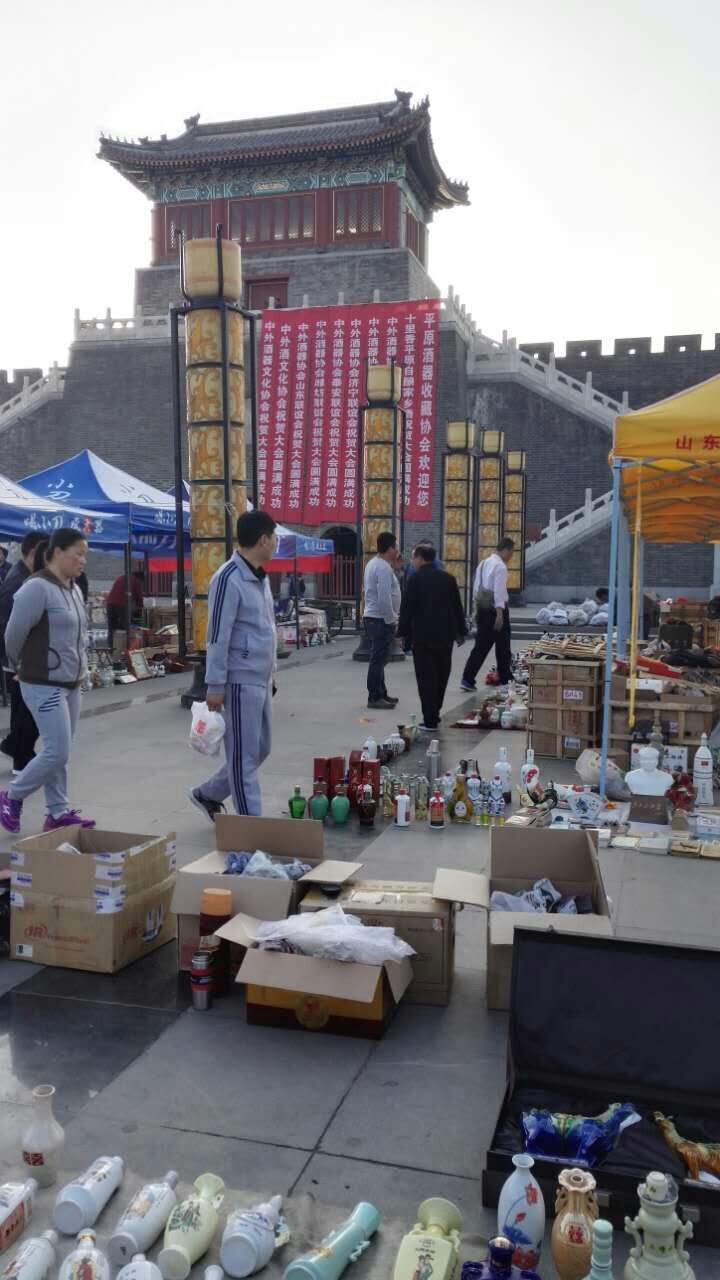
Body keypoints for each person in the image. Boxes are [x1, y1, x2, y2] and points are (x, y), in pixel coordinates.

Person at [0, 528, 95, 834]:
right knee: (58, 750)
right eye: (78, 554)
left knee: (60, 749)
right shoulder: (36, 588)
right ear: (56, 552)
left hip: (72, 682)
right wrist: (19, 665)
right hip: (42, 681)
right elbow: (13, 634)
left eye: (85, 555)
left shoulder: (73, 589)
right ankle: (11, 796)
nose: (83, 560)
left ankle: (58, 811)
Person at [190, 510, 278, 821]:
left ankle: (208, 794)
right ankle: (249, 829)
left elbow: (265, 628)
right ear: (263, 539)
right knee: (243, 760)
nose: (276, 543)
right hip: (239, 680)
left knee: (260, 748)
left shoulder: (258, 577)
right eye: (274, 537)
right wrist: (215, 685)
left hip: (260, 678)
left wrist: (271, 672)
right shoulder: (228, 578)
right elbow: (217, 635)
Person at [398, 543, 467, 731]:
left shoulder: (415, 579)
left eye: (414, 557)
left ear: (420, 558)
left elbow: (407, 609)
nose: (412, 561)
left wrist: (402, 633)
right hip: (445, 636)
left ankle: (430, 718)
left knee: (426, 677)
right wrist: (461, 631)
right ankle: (434, 712)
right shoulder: (448, 579)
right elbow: (457, 607)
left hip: (423, 637)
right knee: (442, 674)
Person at [0, 532, 47, 774]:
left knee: (24, 708)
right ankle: (21, 756)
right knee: (25, 710)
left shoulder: (26, 576)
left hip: (24, 659)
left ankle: (15, 747)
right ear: (35, 553)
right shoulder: (19, 581)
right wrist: (18, 662)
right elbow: (9, 626)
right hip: (19, 659)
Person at [460, 536, 515, 693]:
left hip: (483, 609)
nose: (511, 556)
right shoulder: (500, 566)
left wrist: (476, 609)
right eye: (511, 552)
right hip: (496, 611)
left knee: (481, 646)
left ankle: (467, 679)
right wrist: (500, 614)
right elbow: (498, 592)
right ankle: (504, 678)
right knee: (503, 646)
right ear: (506, 550)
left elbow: (477, 588)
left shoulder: (484, 563)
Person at [363, 531, 401, 710]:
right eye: (396, 547)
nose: (397, 550)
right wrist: (391, 619)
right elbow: (384, 597)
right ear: (389, 548)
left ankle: (381, 692)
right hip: (380, 619)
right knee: (378, 660)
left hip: (375, 618)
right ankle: (374, 697)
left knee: (380, 658)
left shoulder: (373, 563)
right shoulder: (383, 567)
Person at [106, 568, 144, 647]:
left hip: (110, 603)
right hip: (121, 604)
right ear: (140, 578)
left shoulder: (121, 577)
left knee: (111, 628)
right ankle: (125, 647)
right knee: (126, 627)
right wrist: (141, 610)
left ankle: (111, 647)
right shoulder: (136, 581)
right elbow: (139, 598)